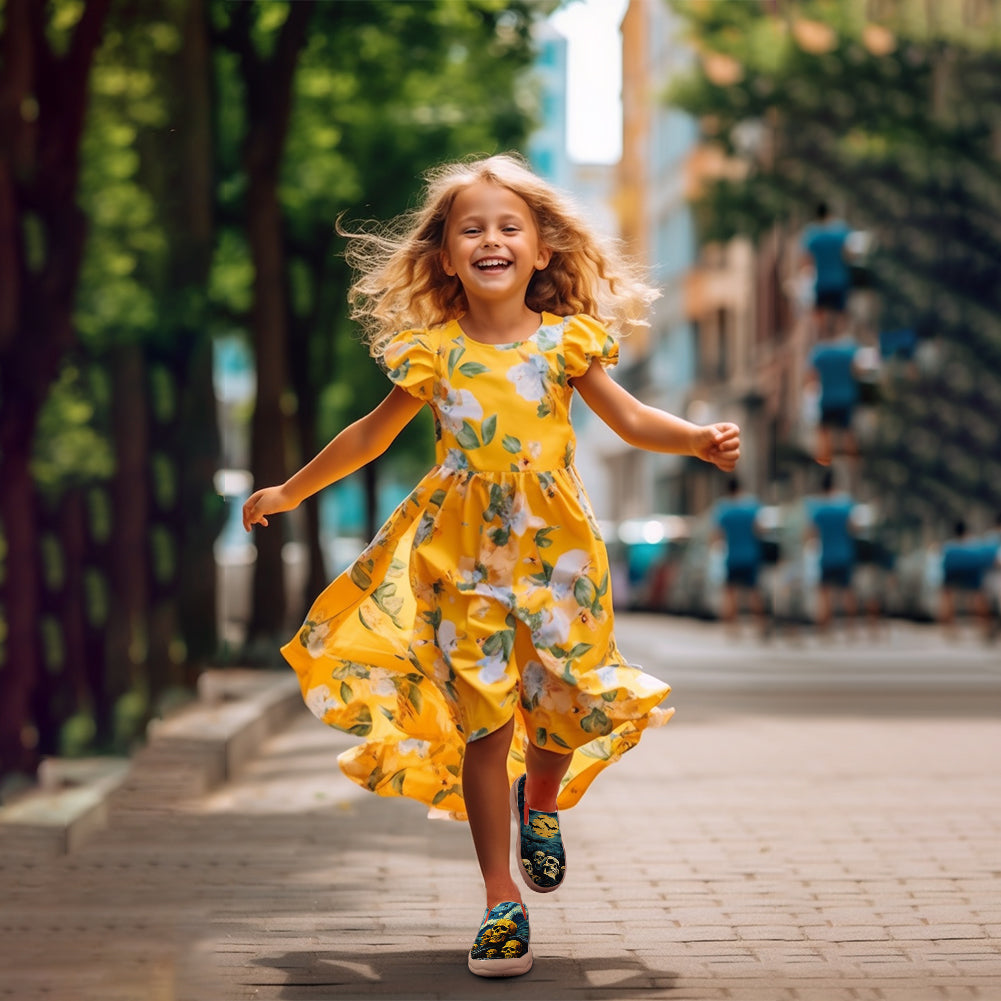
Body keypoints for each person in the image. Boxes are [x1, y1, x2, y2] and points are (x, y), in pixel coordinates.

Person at [242, 153, 741, 979]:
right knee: (487, 721)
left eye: (509, 226)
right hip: (461, 555)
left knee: (562, 698)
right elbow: (369, 435)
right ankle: (498, 900)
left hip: (559, 556)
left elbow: (627, 418)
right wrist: (291, 490)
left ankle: (540, 799)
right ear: (444, 256)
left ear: (542, 249)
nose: (490, 239)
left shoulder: (567, 343)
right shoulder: (432, 353)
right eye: (470, 228)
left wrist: (691, 437)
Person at [712, 477, 767, 637]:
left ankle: (732, 628)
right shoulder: (752, 507)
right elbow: (760, 529)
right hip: (750, 555)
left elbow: (716, 535)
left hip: (732, 556)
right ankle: (760, 625)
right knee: (754, 592)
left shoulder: (723, 509)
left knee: (730, 592)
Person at [805, 468, 858, 633]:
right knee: (847, 591)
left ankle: (825, 627)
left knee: (824, 591)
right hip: (844, 553)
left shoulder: (817, 508)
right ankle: (850, 627)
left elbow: (810, 533)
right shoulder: (845, 504)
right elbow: (853, 528)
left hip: (826, 555)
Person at [801, 201, 853, 340]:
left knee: (820, 313)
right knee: (841, 313)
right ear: (829, 214)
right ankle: (839, 339)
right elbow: (848, 254)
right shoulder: (840, 231)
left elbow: (806, 260)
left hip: (821, 281)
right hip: (839, 279)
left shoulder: (811, 234)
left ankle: (825, 340)